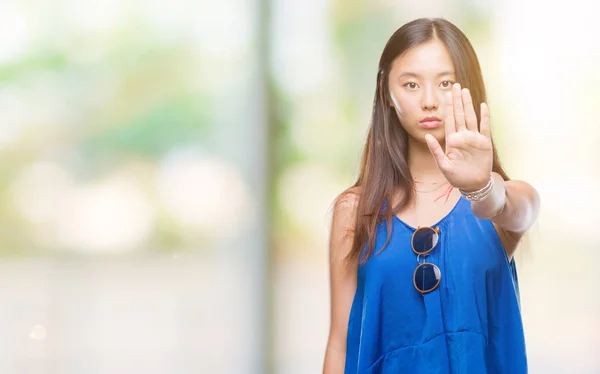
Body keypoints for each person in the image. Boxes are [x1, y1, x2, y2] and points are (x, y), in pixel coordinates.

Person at [322, 18, 541, 374]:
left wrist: (481, 188)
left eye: (445, 83)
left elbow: (520, 208)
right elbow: (340, 342)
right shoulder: (354, 209)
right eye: (410, 84)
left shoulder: (500, 200)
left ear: (469, 88)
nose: (428, 101)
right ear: (386, 94)